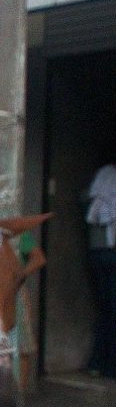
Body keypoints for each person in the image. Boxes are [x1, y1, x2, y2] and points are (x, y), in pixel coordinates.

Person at [85, 158, 116, 378]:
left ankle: (98, 363)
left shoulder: (94, 204)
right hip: (109, 255)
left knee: (106, 311)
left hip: (98, 255)